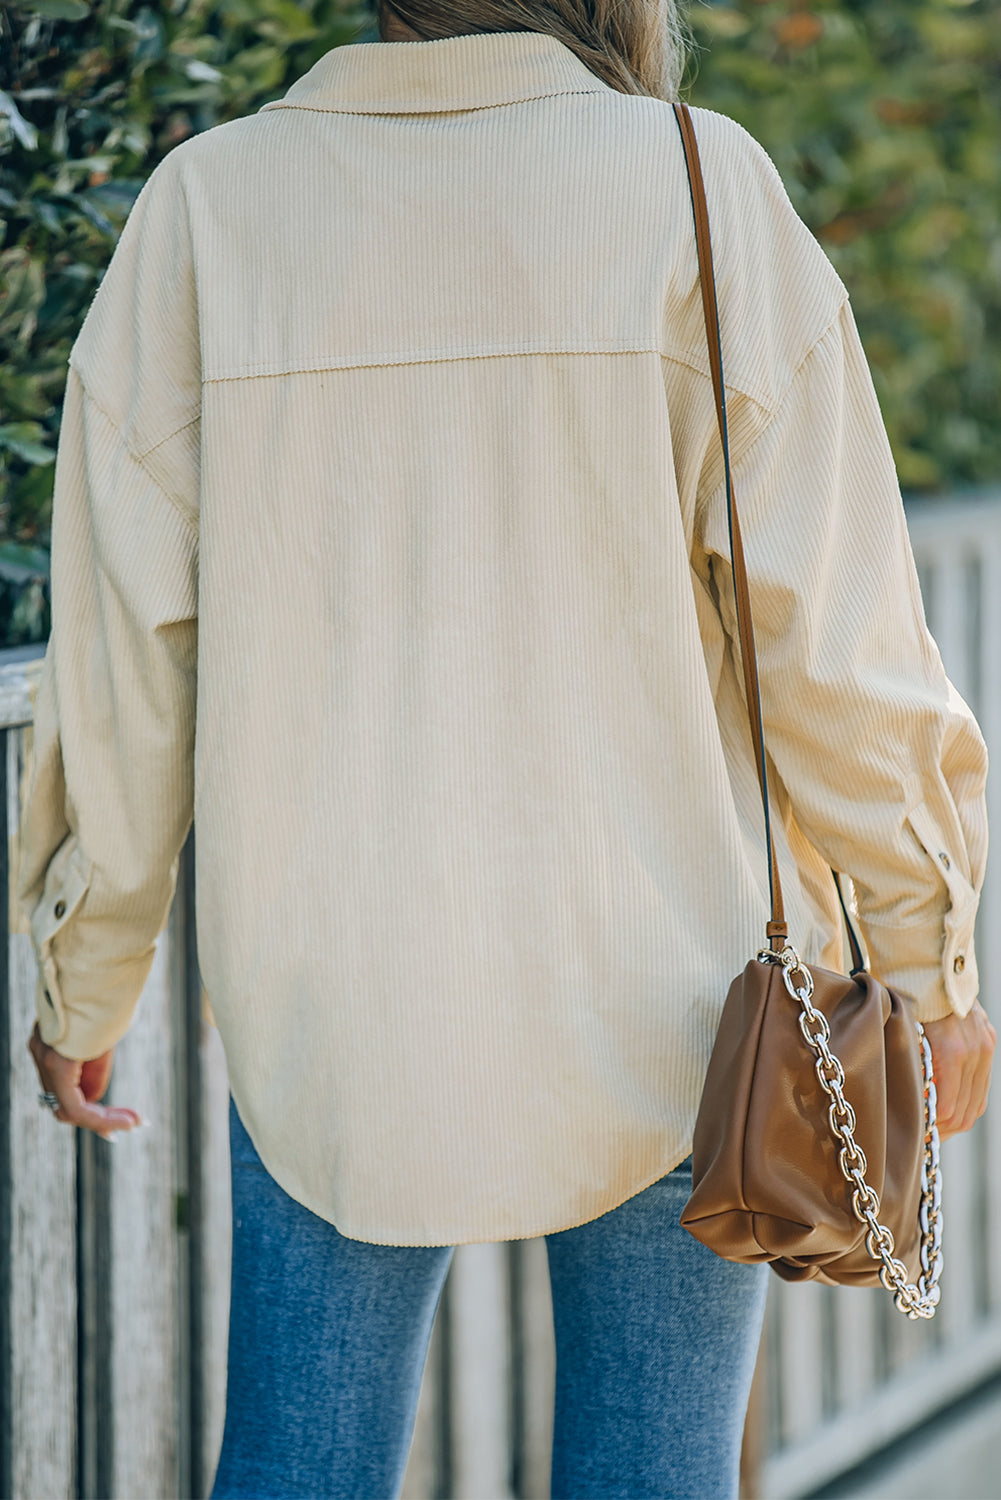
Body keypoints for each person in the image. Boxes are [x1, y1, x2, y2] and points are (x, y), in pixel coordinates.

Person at [21, 1, 995, 1496]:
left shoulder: (207, 208)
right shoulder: (691, 180)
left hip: (330, 999)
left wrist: (89, 968)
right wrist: (934, 964)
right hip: (667, 984)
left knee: (300, 1467)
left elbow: (127, 657)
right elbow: (839, 653)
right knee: (654, 1475)